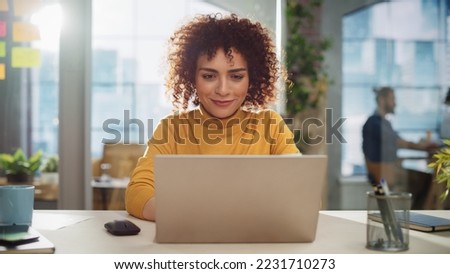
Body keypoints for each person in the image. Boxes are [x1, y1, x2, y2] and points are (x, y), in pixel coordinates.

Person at [125, 13, 300, 221]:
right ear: (192, 77)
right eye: (209, 76)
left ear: (251, 78)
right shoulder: (172, 128)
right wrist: (195, 216)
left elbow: (302, 193)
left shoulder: (270, 125)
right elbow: (137, 192)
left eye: (236, 76)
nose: (223, 90)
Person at [362, 86, 437, 189]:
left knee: (425, 179)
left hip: (389, 169)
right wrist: (422, 146)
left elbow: (396, 142)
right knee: (427, 179)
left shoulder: (383, 123)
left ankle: (413, 204)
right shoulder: (374, 123)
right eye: (392, 99)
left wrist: (421, 146)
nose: (395, 103)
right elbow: (397, 142)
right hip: (384, 172)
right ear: (382, 100)